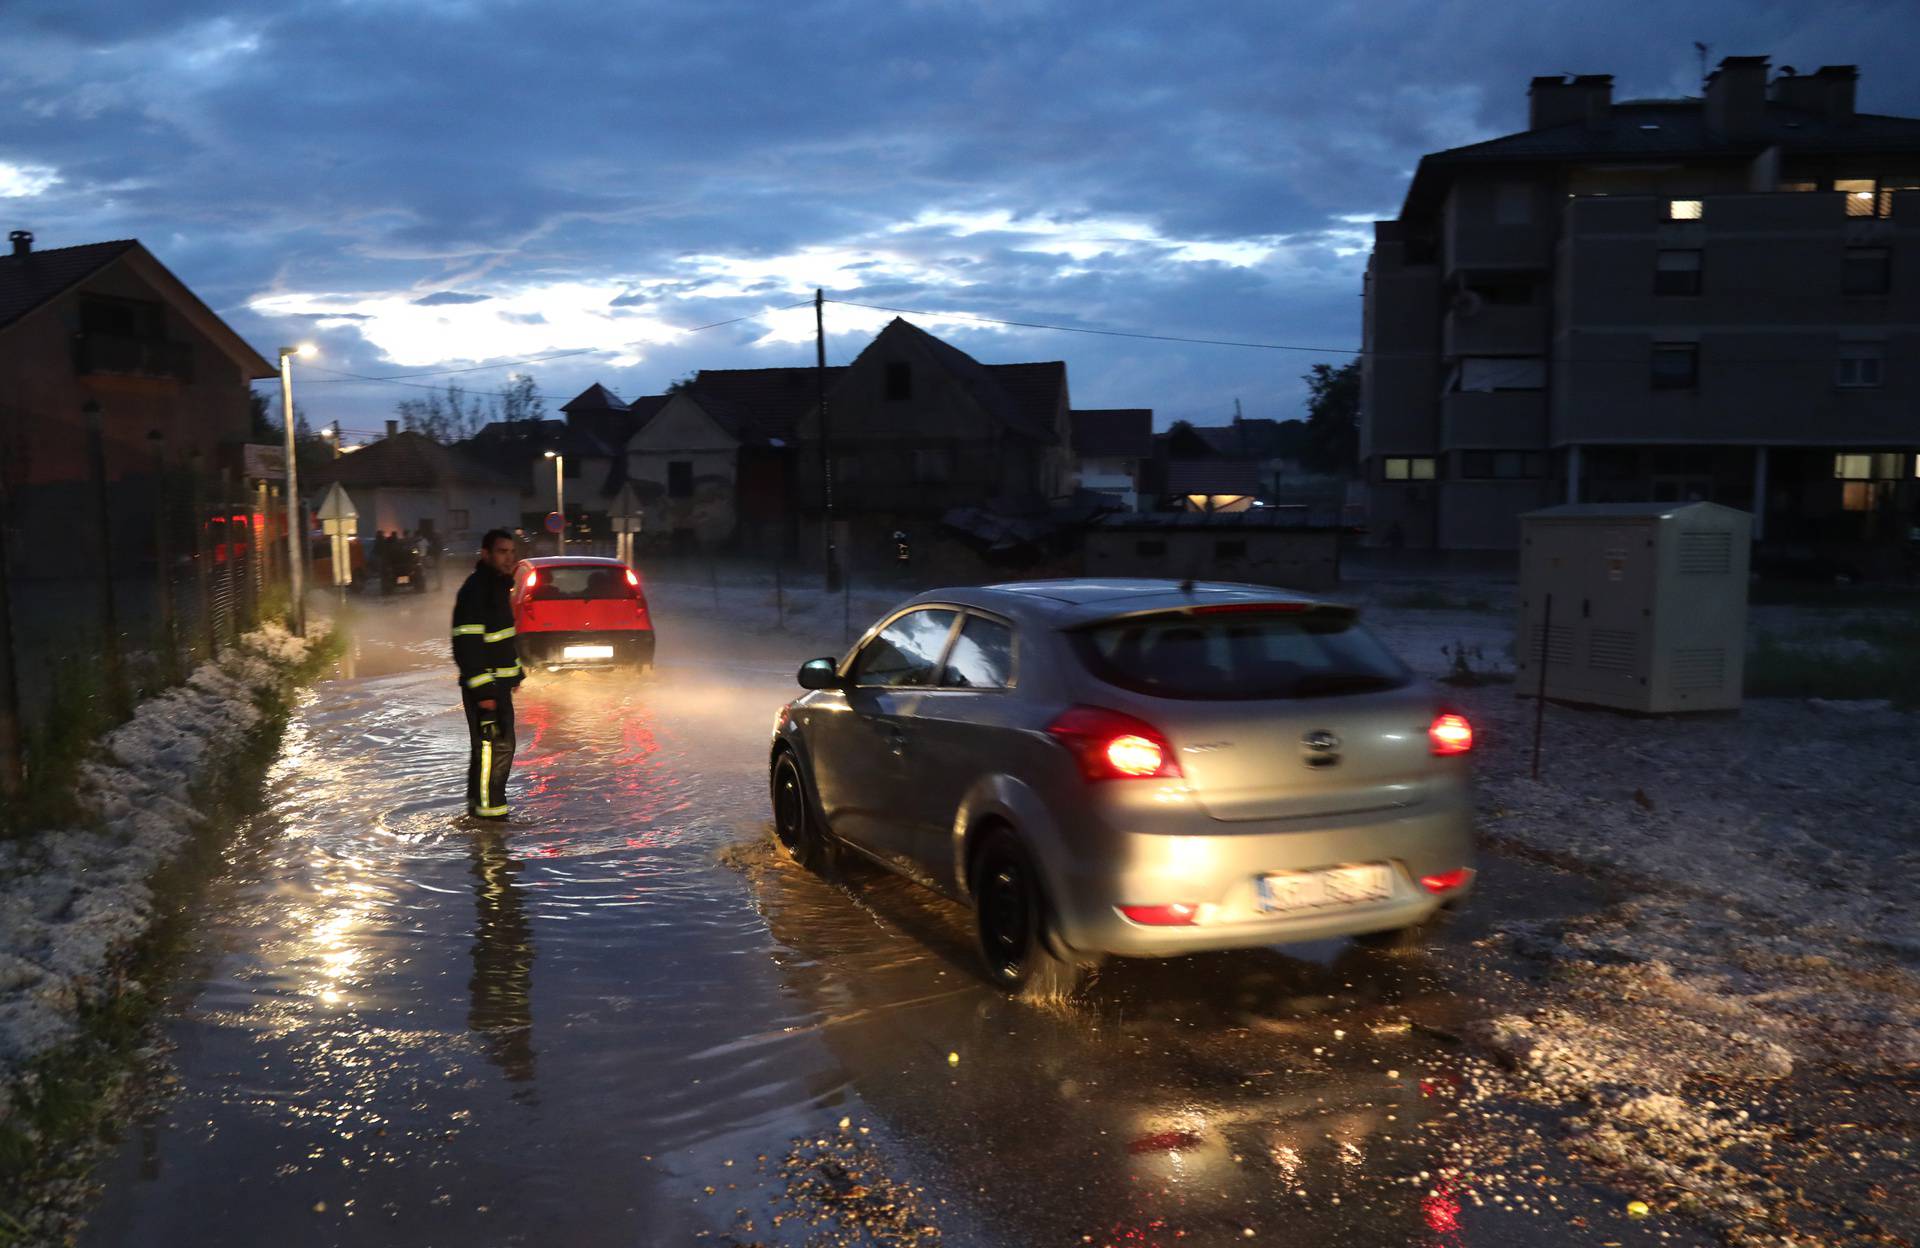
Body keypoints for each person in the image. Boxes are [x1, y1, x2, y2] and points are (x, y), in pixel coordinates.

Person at [452, 530, 524, 820]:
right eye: (502, 552)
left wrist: (515, 673)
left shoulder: (495, 587)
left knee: (497, 751)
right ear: (486, 554)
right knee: (492, 753)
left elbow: (500, 640)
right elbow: (467, 645)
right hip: (487, 691)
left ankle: (484, 812)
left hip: (497, 688)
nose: (509, 558)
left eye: (511, 552)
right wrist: (485, 696)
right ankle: (488, 823)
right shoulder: (477, 589)